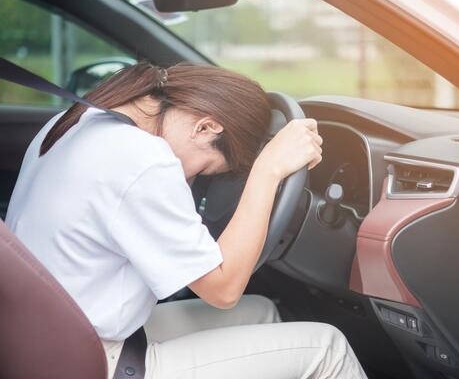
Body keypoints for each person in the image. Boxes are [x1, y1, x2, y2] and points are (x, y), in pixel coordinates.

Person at [6, 61, 366, 379]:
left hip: (46, 338)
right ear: (205, 128)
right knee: (328, 348)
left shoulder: (78, 120)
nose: (191, 181)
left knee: (262, 311)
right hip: (92, 359)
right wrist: (268, 170)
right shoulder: (144, 160)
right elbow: (223, 290)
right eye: (207, 168)